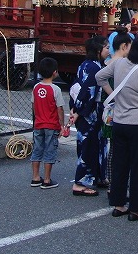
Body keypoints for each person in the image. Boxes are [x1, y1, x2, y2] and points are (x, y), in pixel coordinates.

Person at [96, 35, 138, 221]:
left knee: (120, 164)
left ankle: (119, 205)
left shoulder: (119, 64)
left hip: (119, 122)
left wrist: (113, 95)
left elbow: (99, 77)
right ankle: (137, 209)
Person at [70, 36, 111, 196]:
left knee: (97, 145)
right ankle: (81, 183)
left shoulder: (88, 65)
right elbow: (86, 93)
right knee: (88, 147)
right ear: (98, 50)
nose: (108, 51)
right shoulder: (94, 68)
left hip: (92, 113)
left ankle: (98, 176)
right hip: (89, 115)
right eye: (106, 48)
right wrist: (78, 112)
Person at [100, 30, 133, 188]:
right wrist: (114, 95)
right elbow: (101, 78)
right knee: (117, 149)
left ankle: (112, 181)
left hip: (108, 110)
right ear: (124, 46)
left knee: (113, 147)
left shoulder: (108, 61)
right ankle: (115, 184)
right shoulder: (119, 64)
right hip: (118, 109)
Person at [30, 57, 65, 189]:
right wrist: (61, 125)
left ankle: (35, 177)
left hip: (38, 123)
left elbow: (33, 105)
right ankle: (47, 179)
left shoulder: (36, 87)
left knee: (37, 149)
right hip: (51, 125)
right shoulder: (55, 89)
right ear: (55, 72)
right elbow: (59, 109)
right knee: (50, 150)